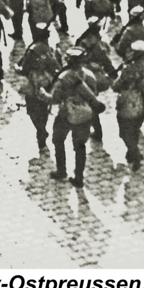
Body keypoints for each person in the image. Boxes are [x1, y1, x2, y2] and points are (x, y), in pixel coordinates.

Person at [49, 47, 105, 187]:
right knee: (80, 147)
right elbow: (95, 93)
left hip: (65, 115)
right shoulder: (89, 75)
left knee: (58, 140)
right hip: (85, 116)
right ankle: (78, 177)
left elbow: (55, 98)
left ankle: (61, 170)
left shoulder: (64, 77)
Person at [113, 39, 144, 171]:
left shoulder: (126, 69)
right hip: (143, 105)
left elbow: (116, 86)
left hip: (126, 105)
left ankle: (135, 153)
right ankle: (131, 152)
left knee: (124, 132)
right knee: (135, 129)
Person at [17, 21, 61, 152]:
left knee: (32, 109)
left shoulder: (32, 51)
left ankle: (40, 130)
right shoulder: (52, 49)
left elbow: (24, 69)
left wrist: (16, 68)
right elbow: (57, 67)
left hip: (34, 83)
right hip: (47, 84)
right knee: (43, 108)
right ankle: (42, 129)